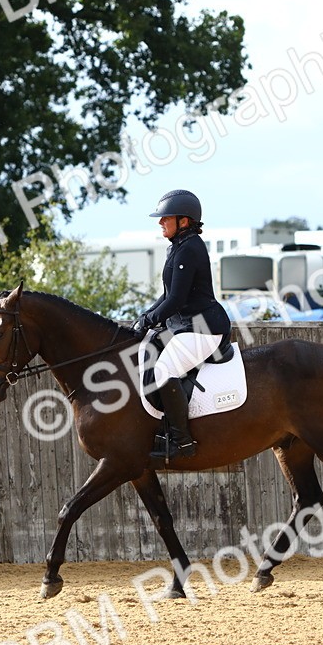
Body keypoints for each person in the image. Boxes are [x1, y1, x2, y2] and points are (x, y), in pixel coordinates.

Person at [132, 189, 231, 459]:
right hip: (183, 325)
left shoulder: (190, 248)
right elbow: (167, 294)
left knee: (164, 370)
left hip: (204, 327)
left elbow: (176, 299)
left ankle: (182, 442)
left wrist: (150, 320)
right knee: (147, 350)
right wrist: (146, 316)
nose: (160, 222)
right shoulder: (176, 247)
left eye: (166, 218)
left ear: (184, 221)